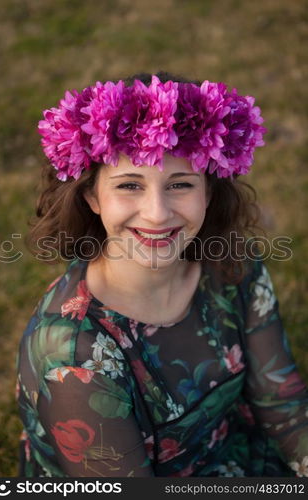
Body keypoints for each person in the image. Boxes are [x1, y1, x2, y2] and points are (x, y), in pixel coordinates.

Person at [16, 71, 308, 478]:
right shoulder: (74, 356)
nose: (157, 213)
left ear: (209, 192)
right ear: (91, 197)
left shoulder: (232, 265)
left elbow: (281, 401)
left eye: (181, 184)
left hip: (228, 455)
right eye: (130, 185)